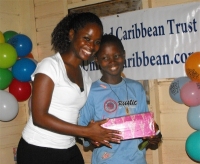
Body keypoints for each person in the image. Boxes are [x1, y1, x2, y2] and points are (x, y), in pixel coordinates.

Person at [17, 12, 121, 164]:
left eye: (97, 42)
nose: (92, 46)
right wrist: (86, 131)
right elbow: (39, 117)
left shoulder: (85, 77)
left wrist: (92, 134)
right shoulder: (50, 66)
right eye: (87, 38)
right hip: (37, 149)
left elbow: (72, 116)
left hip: (67, 147)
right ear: (72, 35)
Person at [78, 34, 162, 164]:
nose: (112, 61)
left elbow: (147, 127)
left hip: (137, 160)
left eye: (116, 55)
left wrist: (154, 136)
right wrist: (91, 136)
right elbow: (82, 128)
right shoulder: (91, 92)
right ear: (96, 60)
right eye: (105, 57)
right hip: (106, 160)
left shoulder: (136, 88)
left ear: (124, 55)